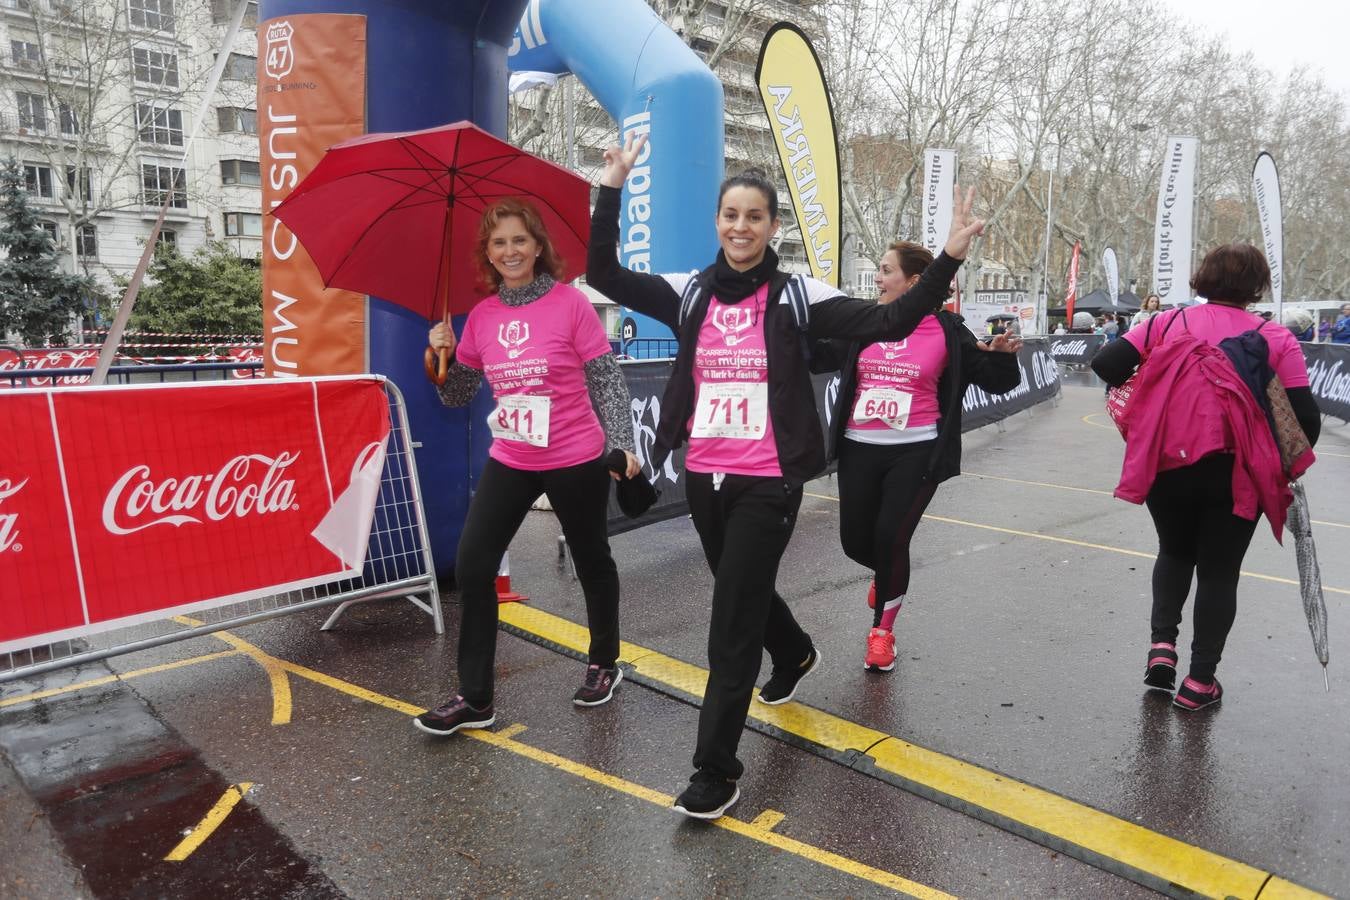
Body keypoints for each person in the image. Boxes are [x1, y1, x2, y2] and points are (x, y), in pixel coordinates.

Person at [588, 133, 986, 820]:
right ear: (718, 223)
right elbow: (605, 274)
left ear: (773, 227)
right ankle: (796, 650)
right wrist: (613, 189)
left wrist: (948, 256)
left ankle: (715, 768)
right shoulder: (690, 293)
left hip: (770, 481)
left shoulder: (799, 295)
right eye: (730, 215)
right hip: (706, 476)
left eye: (754, 216)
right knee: (740, 590)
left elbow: (893, 317)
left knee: (730, 620)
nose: (740, 227)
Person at [414, 198, 641, 738]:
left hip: (574, 455)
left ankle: (604, 661)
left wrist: (623, 442)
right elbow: (457, 397)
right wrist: (436, 357)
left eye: (519, 240)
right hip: (512, 457)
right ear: (487, 255)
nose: (510, 251)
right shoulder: (482, 317)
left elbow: (605, 378)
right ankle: (475, 698)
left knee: (592, 560)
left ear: (537, 246)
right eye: (499, 243)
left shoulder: (571, 304)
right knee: (473, 566)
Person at [1091, 244, 1320, 711]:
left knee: (1174, 551)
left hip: (1167, 462)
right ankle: (1199, 683)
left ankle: (1162, 648)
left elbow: (1106, 365)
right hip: (1237, 470)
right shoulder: (1275, 337)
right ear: (1256, 287)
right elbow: (1305, 419)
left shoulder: (1164, 322)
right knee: (1219, 571)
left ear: (1202, 278)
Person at [824, 241, 1022, 672]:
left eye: (885, 270)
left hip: (917, 452)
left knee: (892, 537)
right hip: (859, 448)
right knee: (857, 541)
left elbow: (995, 382)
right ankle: (889, 575)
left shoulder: (948, 330)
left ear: (914, 282)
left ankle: (882, 634)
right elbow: (819, 354)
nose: (877, 278)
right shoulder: (865, 322)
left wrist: (1004, 358)